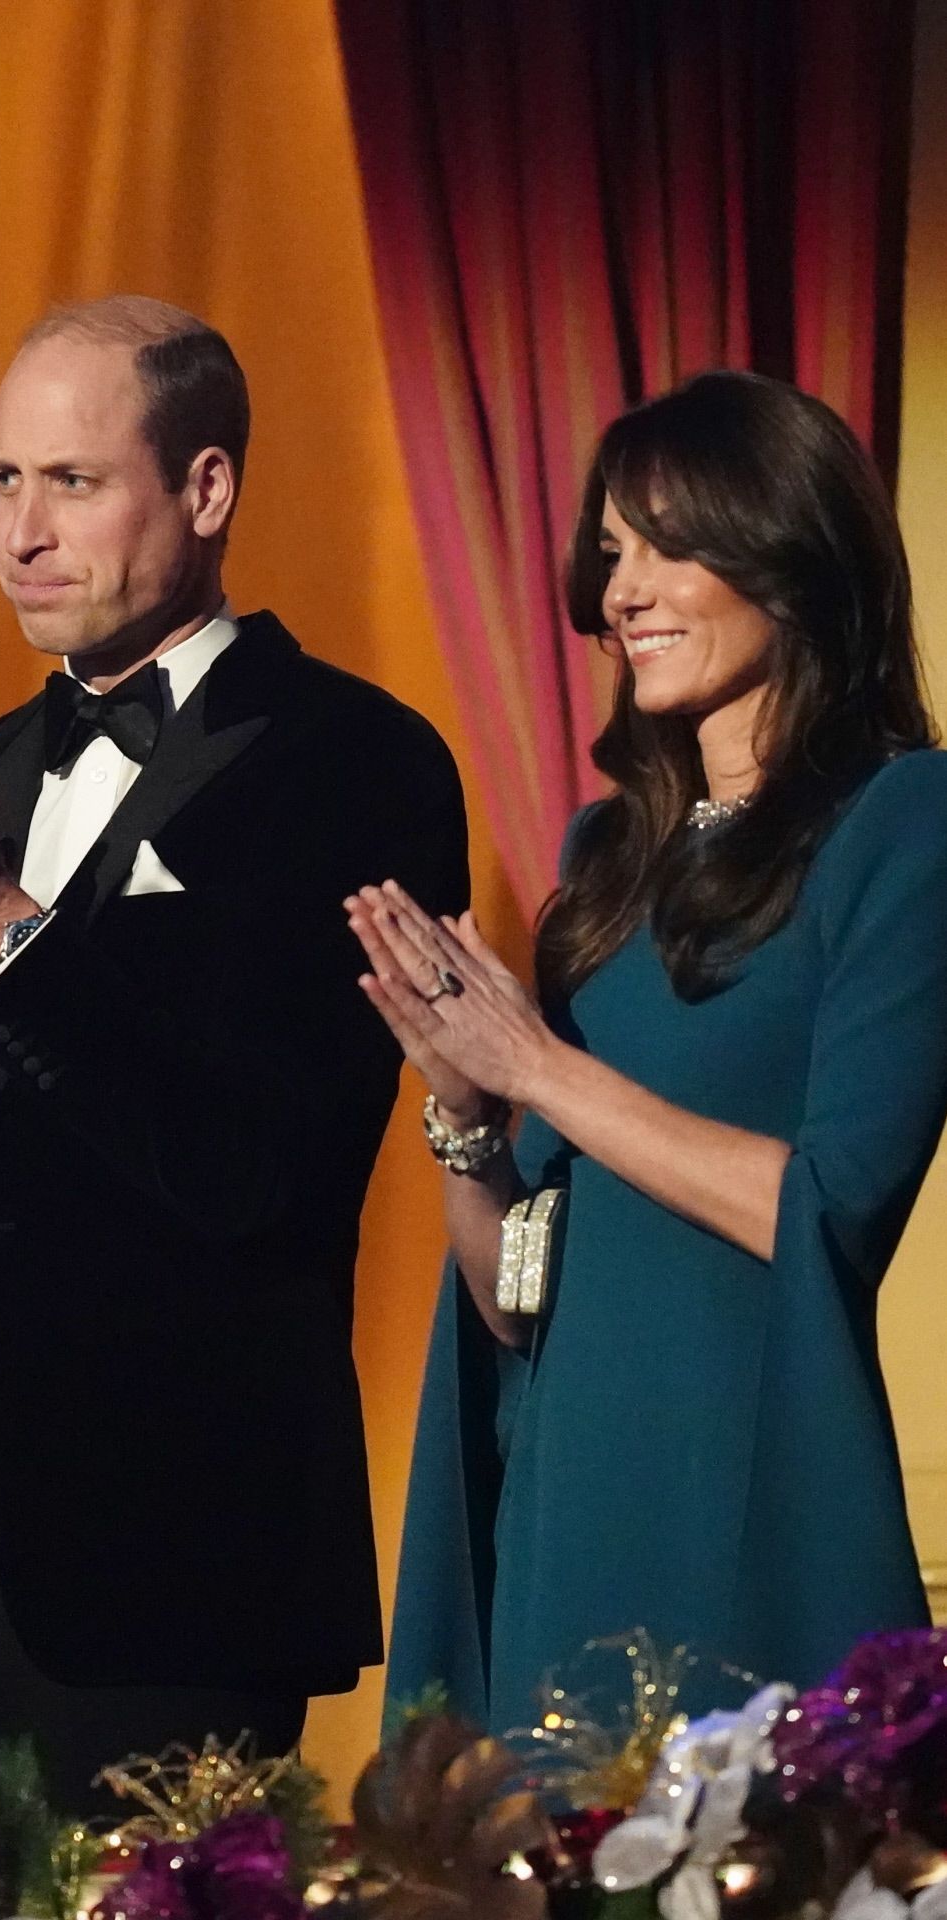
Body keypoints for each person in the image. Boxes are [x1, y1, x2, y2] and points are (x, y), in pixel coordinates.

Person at [0, 295, 468, 1807]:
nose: (22, 530)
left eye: (72, 482)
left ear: (205, 490)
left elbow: (249, 1169)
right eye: (4, 480)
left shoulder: (356, 765)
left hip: (165, 1551)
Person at [346, 370, 947, 1734]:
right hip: (566, 1508)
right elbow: (515, 1297)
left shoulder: (906, 823)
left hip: (741, 1511)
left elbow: (832, 1208)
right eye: (610, 552)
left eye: (668, 544)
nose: (620, 590)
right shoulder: (601, 862)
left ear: (787, 557)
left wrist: (547, 1068)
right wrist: (466, 1117)